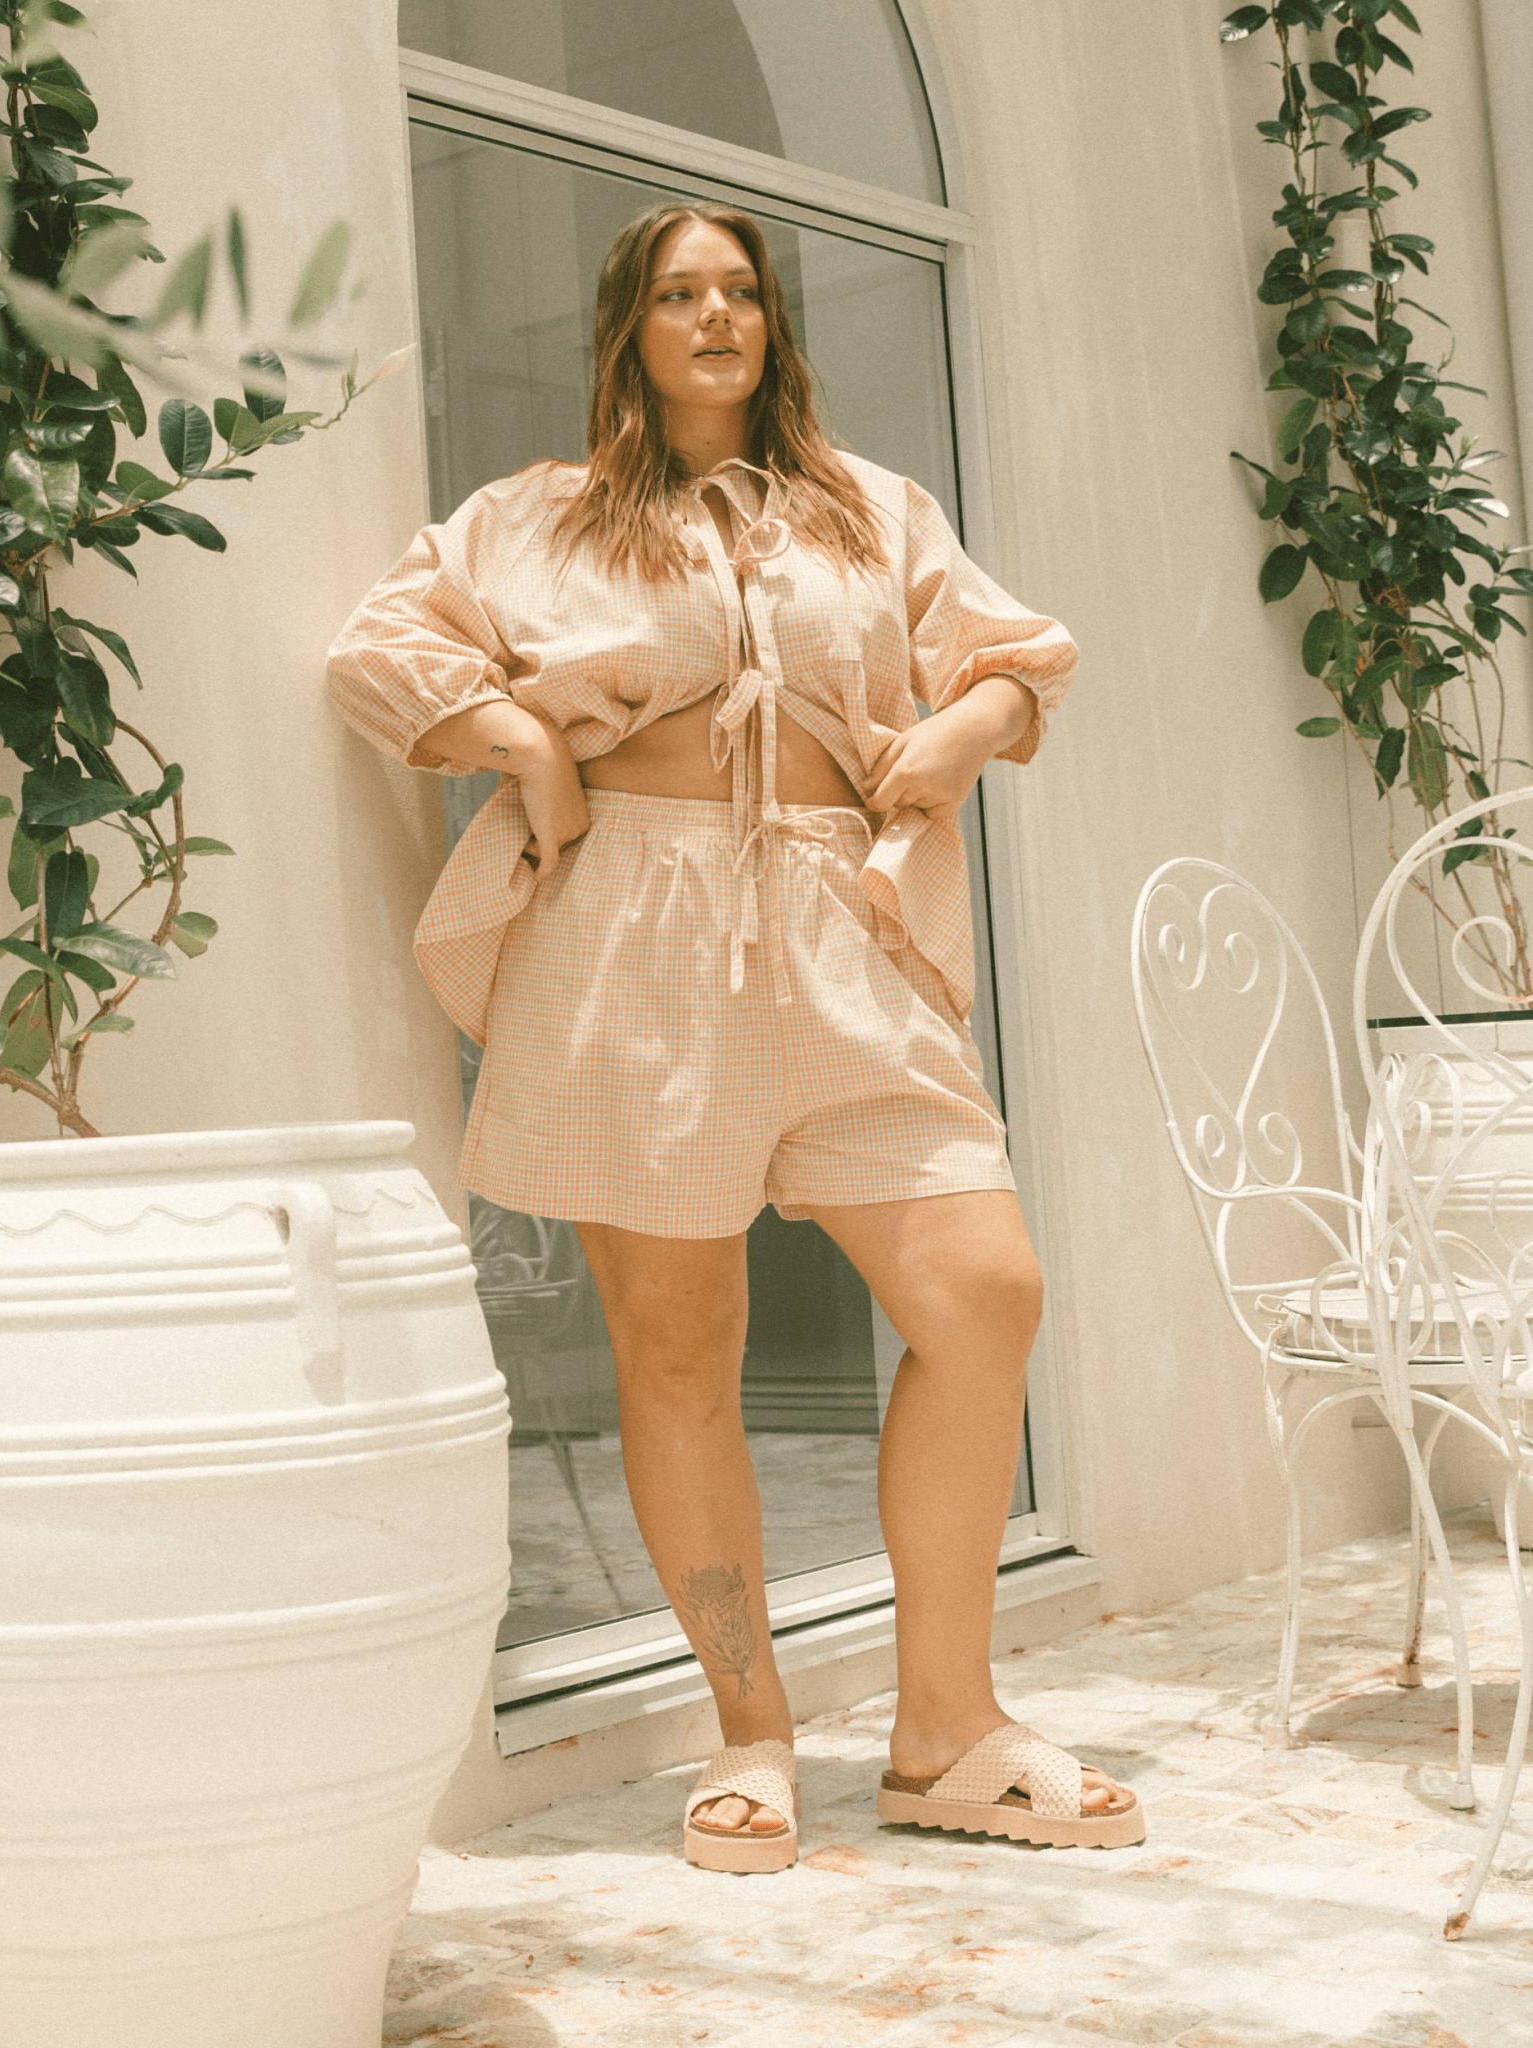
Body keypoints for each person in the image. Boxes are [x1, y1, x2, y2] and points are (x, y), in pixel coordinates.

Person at [327, 199, 1142, 1872]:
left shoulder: (869, 510)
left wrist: (964, 733)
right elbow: (377, 652)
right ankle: (751, 1733)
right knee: (680, 1349)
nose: (715, 316)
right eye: (678, 293)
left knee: (983, 1293)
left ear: (772, 322)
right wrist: (523, 748)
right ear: (627, 327)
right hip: (630, 930)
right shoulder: (536, 519)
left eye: (740, 292)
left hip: (841, 922)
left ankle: (945, 1727)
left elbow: (1017, 657)